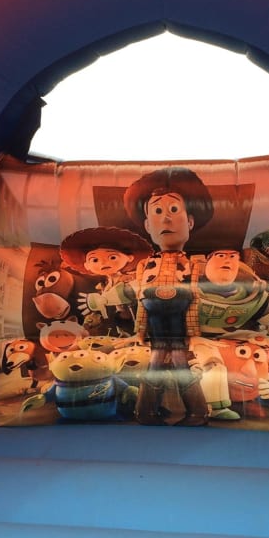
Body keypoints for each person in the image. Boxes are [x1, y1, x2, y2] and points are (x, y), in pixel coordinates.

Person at [124, 167, 212, 426]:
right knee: (154, 365)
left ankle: (197, 413)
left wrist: (193, 333)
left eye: (174, 210)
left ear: (190, 222)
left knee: (180, 364)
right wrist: (140, 330)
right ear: (147, 226)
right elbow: (142, 302)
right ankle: (146, 412)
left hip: (179, 329)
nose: (165, 219)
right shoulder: (144, 266)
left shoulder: (194, 265)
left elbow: (194, 299)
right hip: (156, 331)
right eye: (157, 212)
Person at [59, 226, 152, 335]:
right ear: (87, 265)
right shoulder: (104, 284)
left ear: (129, 257)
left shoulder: (132, 279)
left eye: (112, 257)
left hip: (140, 319)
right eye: (95, 260)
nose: (103, 263)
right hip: (118, 324)